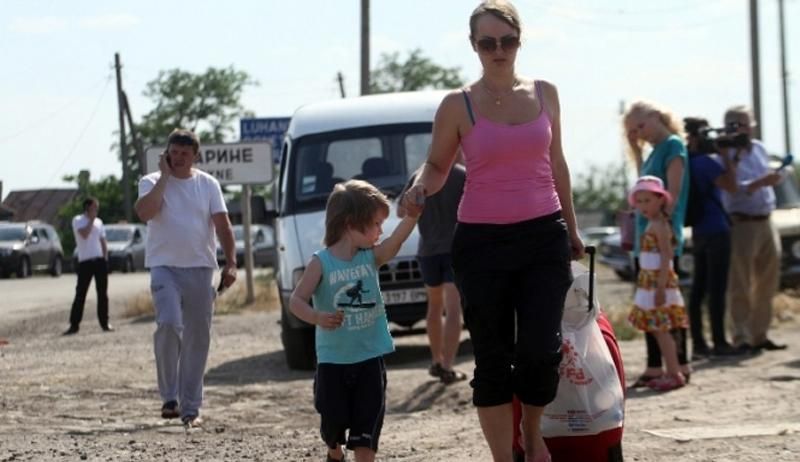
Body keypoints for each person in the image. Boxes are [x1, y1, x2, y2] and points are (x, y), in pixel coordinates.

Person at [400, 2, 583, 460]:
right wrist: (421, 187)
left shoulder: (546, 93)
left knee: (541, 350)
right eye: (488, 42)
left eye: (507, 40)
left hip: (544, 235)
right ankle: (505, 456)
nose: (498, 50)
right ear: (474, 46)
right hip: (481, 242)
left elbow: (557, 164)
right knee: (493, 358)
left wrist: (573, 230)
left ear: (520, 40)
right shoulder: (457, 104)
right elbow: (438, 165)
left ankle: (534, 435)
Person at [290, 180, 420, 462]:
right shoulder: (320, 262)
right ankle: (334, 453)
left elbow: (395, 241)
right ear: (351, 223)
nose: (380, 231)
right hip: (333, 361)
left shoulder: (370, 258)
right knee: (333, 426)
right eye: (375, 223)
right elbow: (296, 300)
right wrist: (317, 317)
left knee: (366, 433)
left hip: (370, 358)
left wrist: (413, 215)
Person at [134, 129, 237, 427]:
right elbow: (145, 213)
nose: (178, 158)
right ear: (166, 153)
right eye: (174, 152)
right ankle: (169, 397)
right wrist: (165, 178)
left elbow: (224, 227)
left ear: (195, 156)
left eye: (184, 154)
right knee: (168, 323)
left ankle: (190, 407)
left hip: (201, 268)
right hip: (164, 267)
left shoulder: (208, 185)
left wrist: (230, 263)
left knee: (197, 338)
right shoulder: (151, 182)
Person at [622, 101, 691, 388]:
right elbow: (643, 186)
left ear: (657, 116)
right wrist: (636, 151)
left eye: (641, 125)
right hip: (645, 233)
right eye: (634, 131)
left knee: (666, 303)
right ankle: (655, 365)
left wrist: (660, 223)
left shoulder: (673, 145)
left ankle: (679, 365)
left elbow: (671, 191)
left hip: (659, 232)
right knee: (651, 304)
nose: (640, 133)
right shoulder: (651, 152)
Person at [719, 106, 786, 353]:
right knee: (740, 282)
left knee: (767, 280)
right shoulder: (724, 154)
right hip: (741, 222)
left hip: (766, 219)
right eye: (736, 124)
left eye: (745, 123)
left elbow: (766, 177)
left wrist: (774, 177)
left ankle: (760, 334)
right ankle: (741, 335)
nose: (742, 128)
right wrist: (759, 183)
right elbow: (732, 188)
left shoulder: (758, 148)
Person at [403, 153, 467, 385]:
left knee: (434, 307)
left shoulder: (419, 177)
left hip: (428, 250)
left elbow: (402, 211)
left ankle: (436, 360)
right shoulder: (461, 175)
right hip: (454, 249)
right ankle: (449, 366)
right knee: (453, 309)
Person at [683, 117, 740, 358]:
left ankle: (698, 343)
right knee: (717, 288)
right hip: (716, 228)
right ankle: (719, 342)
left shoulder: (685, 162)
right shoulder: (706, 163)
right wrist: (725, 155)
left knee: (698, 288)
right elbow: (731, 185)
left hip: (698, 231)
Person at [627, 176, 689, 391]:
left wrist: (661, 287)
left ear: (660, 200)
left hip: (657, 283)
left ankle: (674, 373)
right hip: (649, 281)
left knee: (661, 329)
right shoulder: (652, 223)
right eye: (640, 201)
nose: (643, 205)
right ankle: (671, 371)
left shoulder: (660, 225)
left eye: (648, 200)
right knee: (658, 329)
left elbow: (666, 255)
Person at [63, 197, 111, 335]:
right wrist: (90, 220)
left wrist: (105, 257)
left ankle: (104, 322)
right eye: (94, 208)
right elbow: (84, 235)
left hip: (99, 261)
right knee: (81, 293)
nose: (96, 210)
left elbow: (102, 240)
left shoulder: (99, 222)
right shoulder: (78, 220)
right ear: (87, 208)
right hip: (85, 262)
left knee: (102, 293)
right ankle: (74, 324)